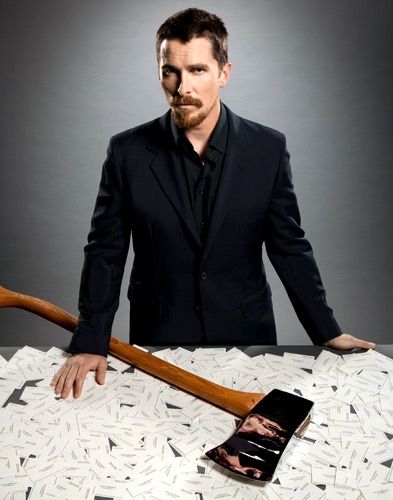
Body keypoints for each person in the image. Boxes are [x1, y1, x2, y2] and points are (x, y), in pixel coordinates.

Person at [51, 8, 375, 399]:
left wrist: (328, 331)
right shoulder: (127, 152)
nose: (182, 87)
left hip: (248, 343)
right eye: (170, 71)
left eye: (199, 71)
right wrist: (91, 339)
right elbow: (106, 250)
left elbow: (289, 246)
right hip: (159, 344)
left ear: (224, 73)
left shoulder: (268, 149)